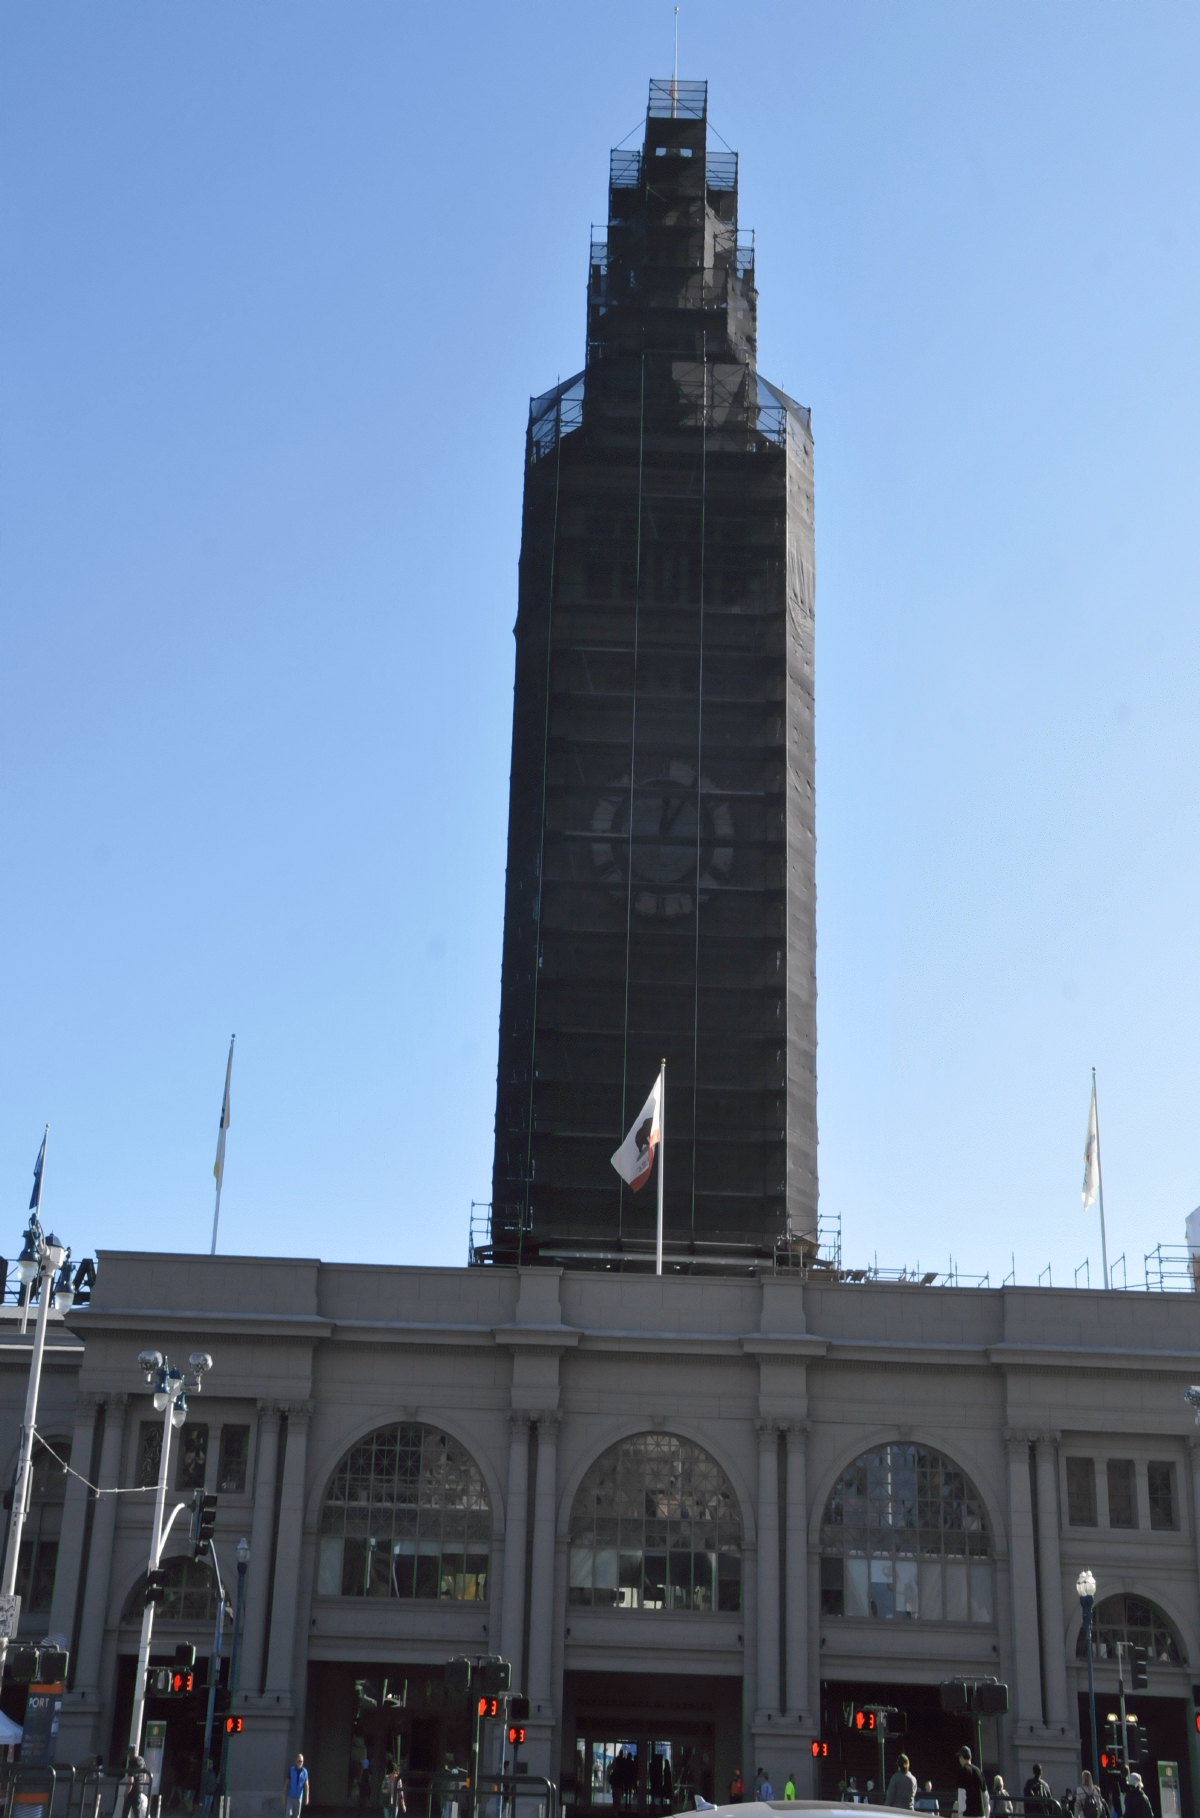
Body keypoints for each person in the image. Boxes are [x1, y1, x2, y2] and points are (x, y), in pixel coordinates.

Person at [954, 1748, 986, 1818]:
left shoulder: (963, 1771)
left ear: (961, 1757)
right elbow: (985, 1795)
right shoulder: (979, 1771)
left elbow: (961, 1795)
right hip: (981, 1814)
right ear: (970, 1757)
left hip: (967, 1814)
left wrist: (960, 1814)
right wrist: (986, 1814)